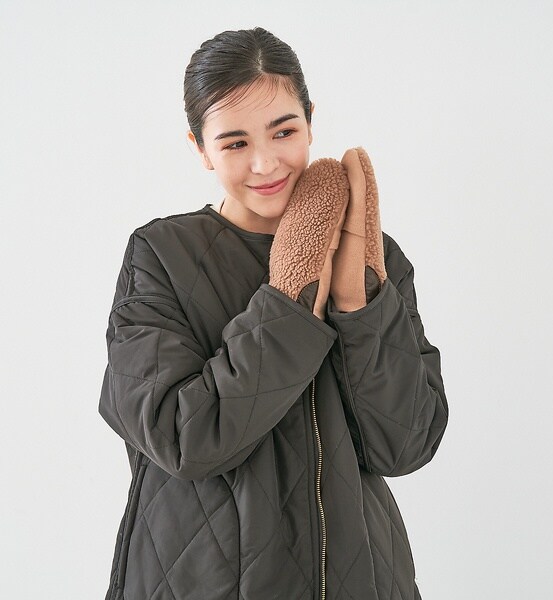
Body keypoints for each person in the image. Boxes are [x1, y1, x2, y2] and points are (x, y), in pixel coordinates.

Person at [98, 26, 449, 600]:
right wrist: (289, 294)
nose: (265, 163)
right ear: (200, 149)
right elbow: (186, 439)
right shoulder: (160, 256)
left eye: (284, 131)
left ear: (310, 121)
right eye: (234, 143)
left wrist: (358, 303)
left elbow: (404, 445)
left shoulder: (373, 257)